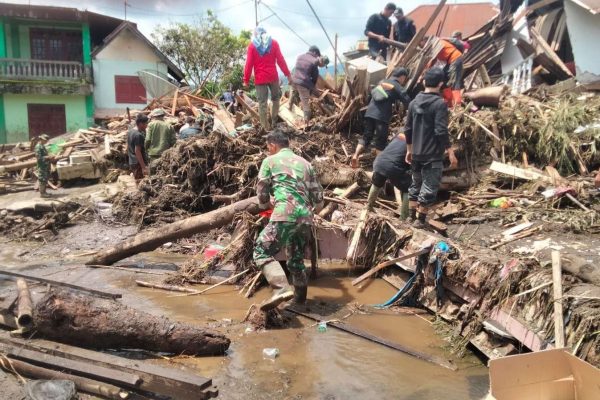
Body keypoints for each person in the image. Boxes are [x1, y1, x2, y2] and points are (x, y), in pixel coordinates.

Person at [253, 130, 324, 311]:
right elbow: (318, 197)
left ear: (272, 145)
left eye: (268, 147)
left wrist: (265, 205)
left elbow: (262, 190)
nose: (267, 150)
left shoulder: (269, 161)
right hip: (305, 218)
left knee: (261, 251)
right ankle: (300, 302)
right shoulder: (306, 164)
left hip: (285, 213)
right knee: (296, 261)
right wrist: (312, 211)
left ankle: (281, 289)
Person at [405, 68, 458, 228]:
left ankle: (410, 217)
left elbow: (408, 129)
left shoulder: (413, 103)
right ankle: (420, 221)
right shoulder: (439, 104)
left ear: (423, 82)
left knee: (416, 183)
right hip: (432, 154)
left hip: (416, 152)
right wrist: (450, 151)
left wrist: (409, 150)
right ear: (440, 84)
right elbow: (440, 130)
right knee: (429, 185)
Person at [351, 67, 410, 168]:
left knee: (366, 137)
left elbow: (370, 95)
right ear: (402, 77)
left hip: (370, 112)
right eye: (404, 78)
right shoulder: (396, 85)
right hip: (381, 116)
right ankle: (378, 167)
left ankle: (355, 155)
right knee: (380, 141)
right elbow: (406, 99)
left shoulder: (381, 82)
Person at [243, 26, 291, 130]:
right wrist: (287, 74)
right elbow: (281, 60)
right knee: (276, 99)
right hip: (273, 76)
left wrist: (246, 80)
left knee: (262, 103)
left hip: (260, 78)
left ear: (256, 34)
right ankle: (274, 122)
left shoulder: (252, 46)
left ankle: (265, 127)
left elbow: (248, 64)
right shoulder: (273, 43)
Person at [366, 133, 412, 218]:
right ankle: (404, 217)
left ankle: (368, 206)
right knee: (408, 189)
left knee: (377, 183)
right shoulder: (417, 141)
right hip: (393, 166)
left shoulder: (400, 134)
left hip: (380, 161)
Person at [291, 45, 329, 123]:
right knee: (306, 104)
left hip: (293, 80)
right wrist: (312, 92)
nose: (322, 66)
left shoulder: (300, 56)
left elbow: (295, 70)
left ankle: (289, 104)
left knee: (294, 92)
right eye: (323, 65)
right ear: (315, 53)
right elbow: (314, 81)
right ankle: (306, 123)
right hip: (302, 83)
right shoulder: (315, 61)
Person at [432, 37, 464, 107]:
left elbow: (457, 42)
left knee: (454, 82)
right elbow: (433, 60)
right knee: (443, 78)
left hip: (455, 58)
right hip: (450, 61)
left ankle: (457, 105)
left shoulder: (438, 41)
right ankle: (449, 103)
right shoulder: (432, 47)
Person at [127, 114, 149, 181]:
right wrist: (143, 167)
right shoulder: (138, 135)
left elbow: (128, 146)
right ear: (140, 124)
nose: (146, 126)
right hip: (138, 163)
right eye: (146, 123)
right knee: (140, 182)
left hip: (132, 161)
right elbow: (137, 151)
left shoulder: (130, 132)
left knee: (137, 180)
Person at [35, 134, 51, 198]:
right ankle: (42, 193)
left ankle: (44, 192)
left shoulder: (42, 146)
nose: (46, 141)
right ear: (41, 139)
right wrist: (48, 157)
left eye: (47, 140)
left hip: (45, 165)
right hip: (42, 166)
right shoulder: (38, 147)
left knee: (45, 179)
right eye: (45, 140)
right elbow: (39, 158)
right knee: (42, 179)